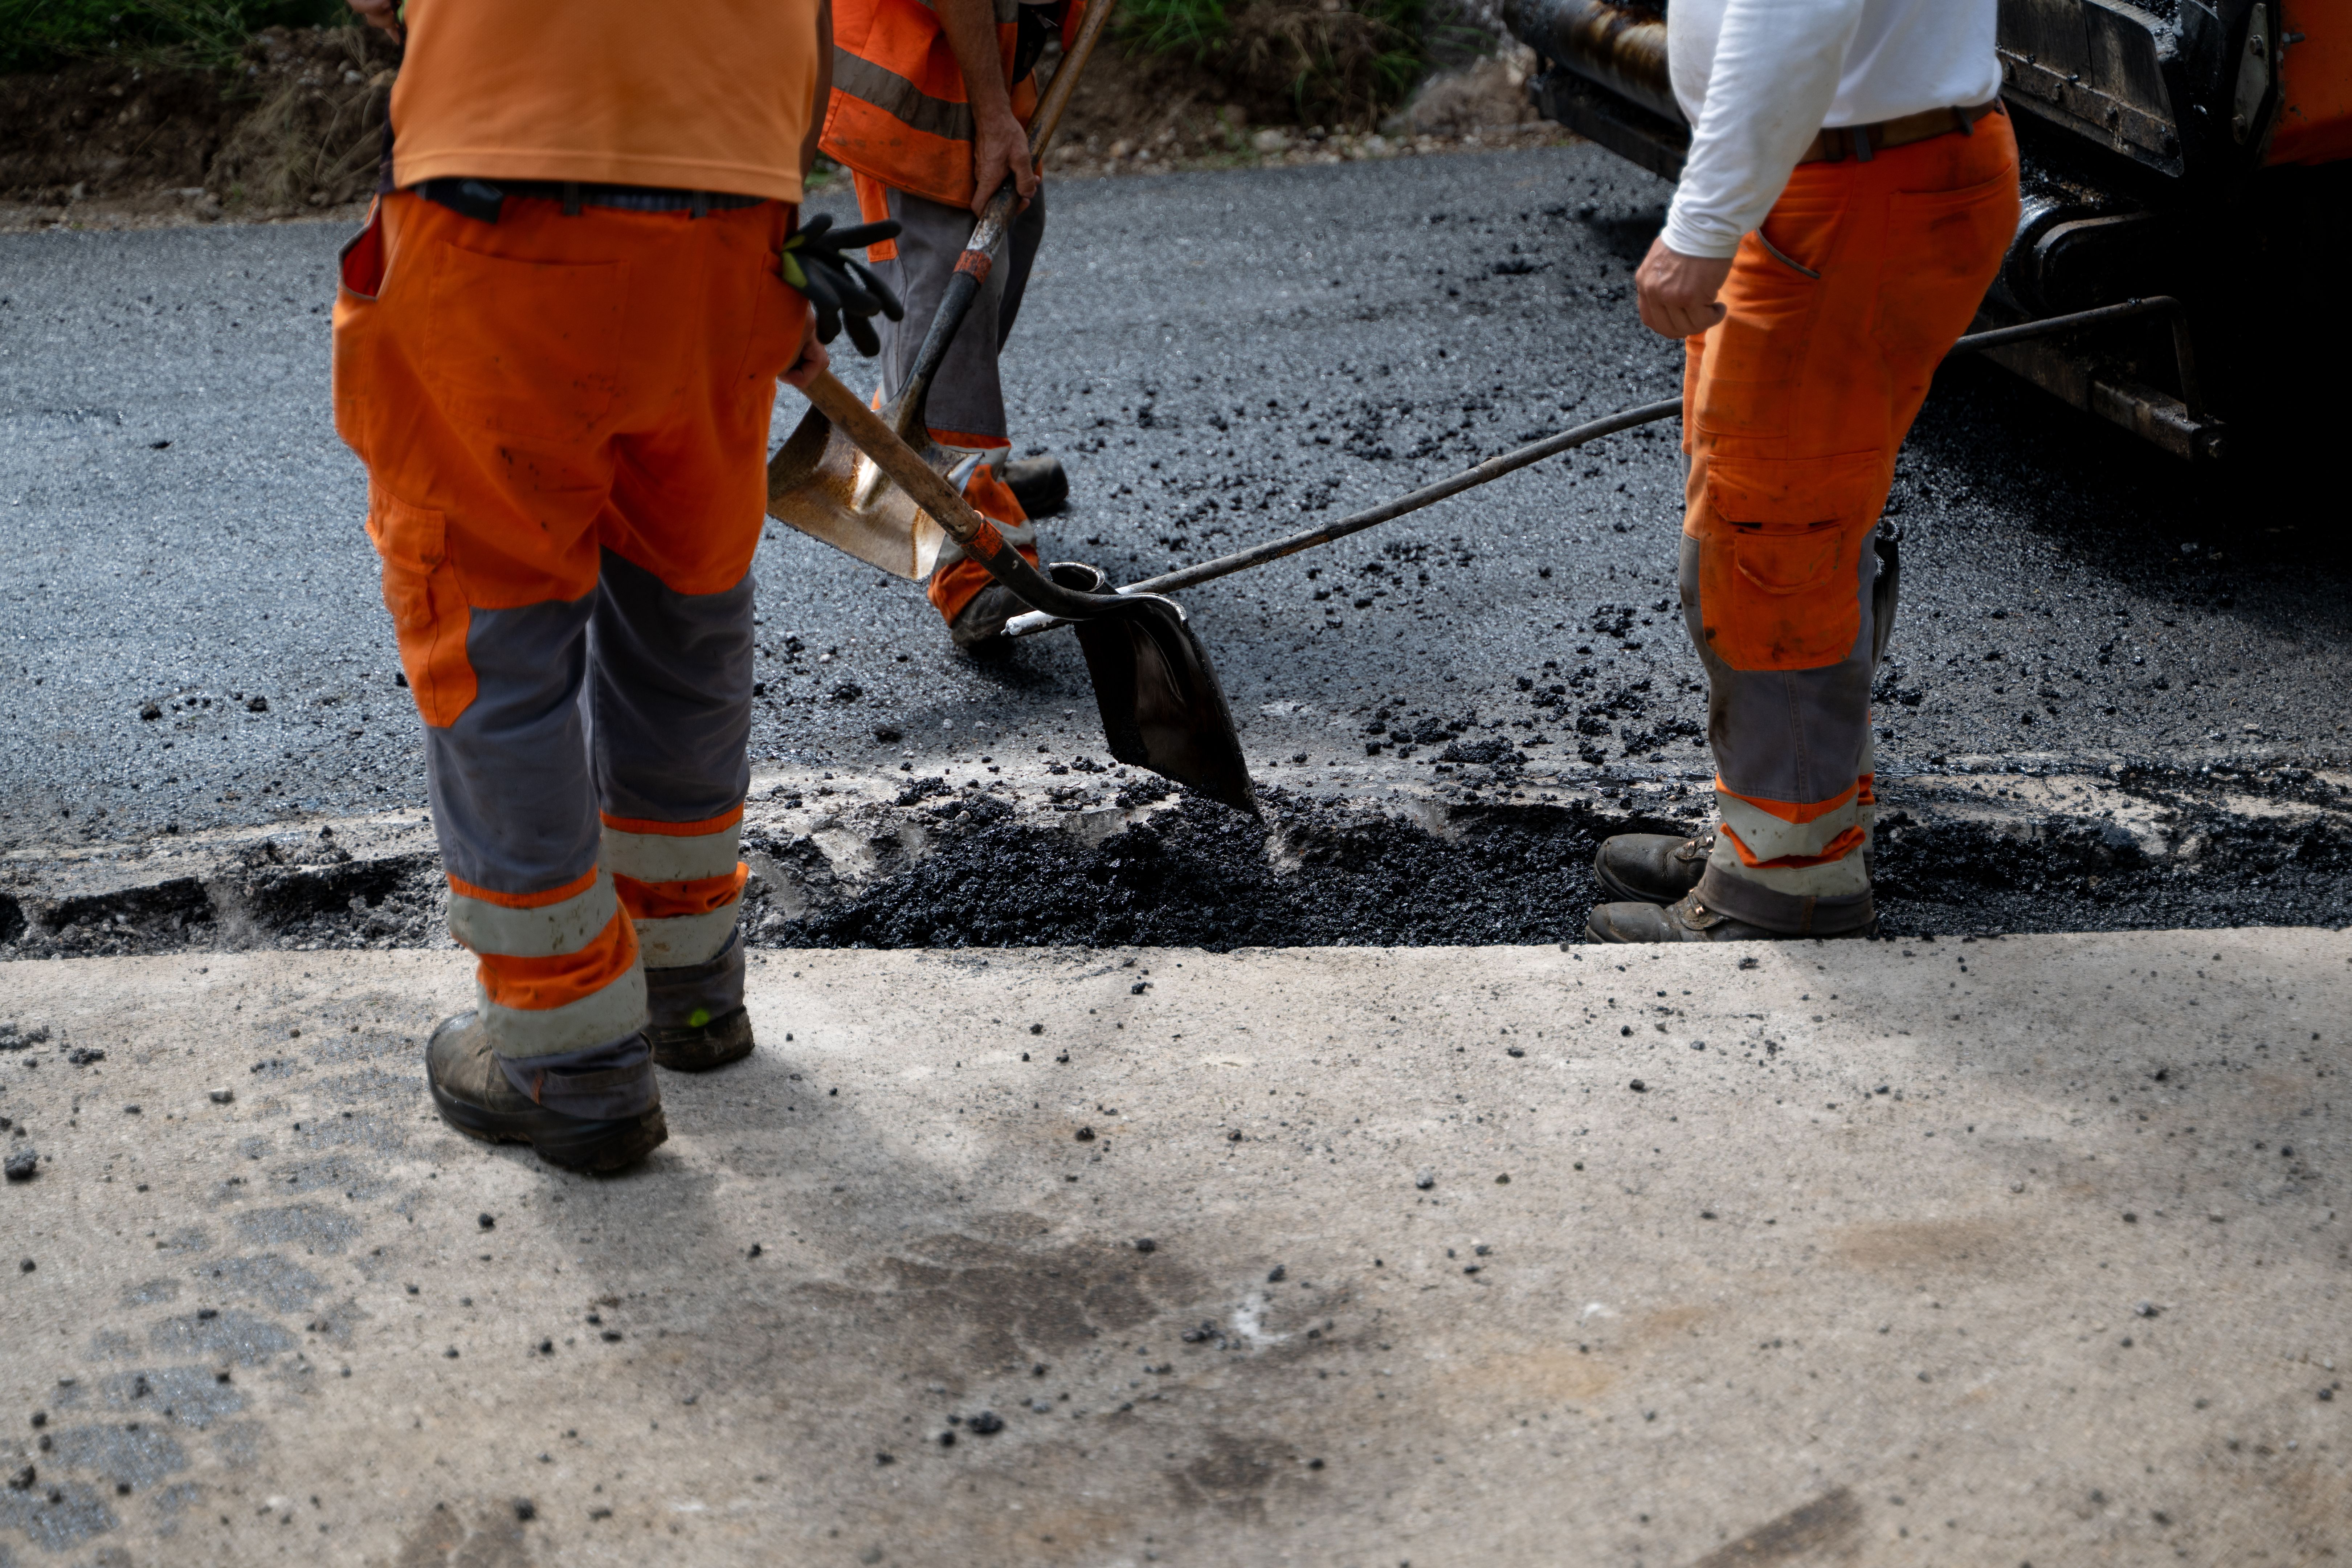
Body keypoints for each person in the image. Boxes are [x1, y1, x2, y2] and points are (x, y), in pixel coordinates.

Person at [336, 0, 887, 1169]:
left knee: (497, 628)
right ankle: (687, 985)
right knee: (683, 606)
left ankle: (569, 1056)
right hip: (735, 223)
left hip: (510, 210)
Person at [1585, 0, 2020, 943]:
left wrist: (1702, 225)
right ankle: (1772, 824)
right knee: (1773, 514)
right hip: (1828, 173)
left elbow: (1795, 10)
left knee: (1773, 539)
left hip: (1854, 182)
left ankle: (1792, 879)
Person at [821, 0, 1081, 648]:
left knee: (1016, 232)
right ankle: (966, 558)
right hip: (923, 64)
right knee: (948, 289)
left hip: (987, 47)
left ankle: (912, 438)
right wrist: (995, 117)